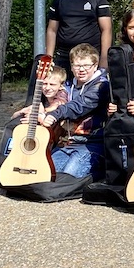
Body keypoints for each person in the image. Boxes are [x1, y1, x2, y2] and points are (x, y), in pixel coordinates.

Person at [43, 44, 111, 180]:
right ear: (71, 66)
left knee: (69, 177)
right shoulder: (69, 85)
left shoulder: (102, 86)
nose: (81, 69)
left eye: (86, 65)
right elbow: (59, 99)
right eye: (77, 65)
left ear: (95, 65)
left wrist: (55, 114)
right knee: (45, 172)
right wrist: (41, 111)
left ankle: (101, 174)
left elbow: (78, 106)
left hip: (92, 145)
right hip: (67, 143)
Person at [46, 0, 112, 72]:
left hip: (89, 58)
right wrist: (49, 58)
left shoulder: (98, 0)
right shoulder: (58, 1)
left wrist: (104, 59)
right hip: (64, 57)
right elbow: (52, 30)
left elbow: (107, 30)